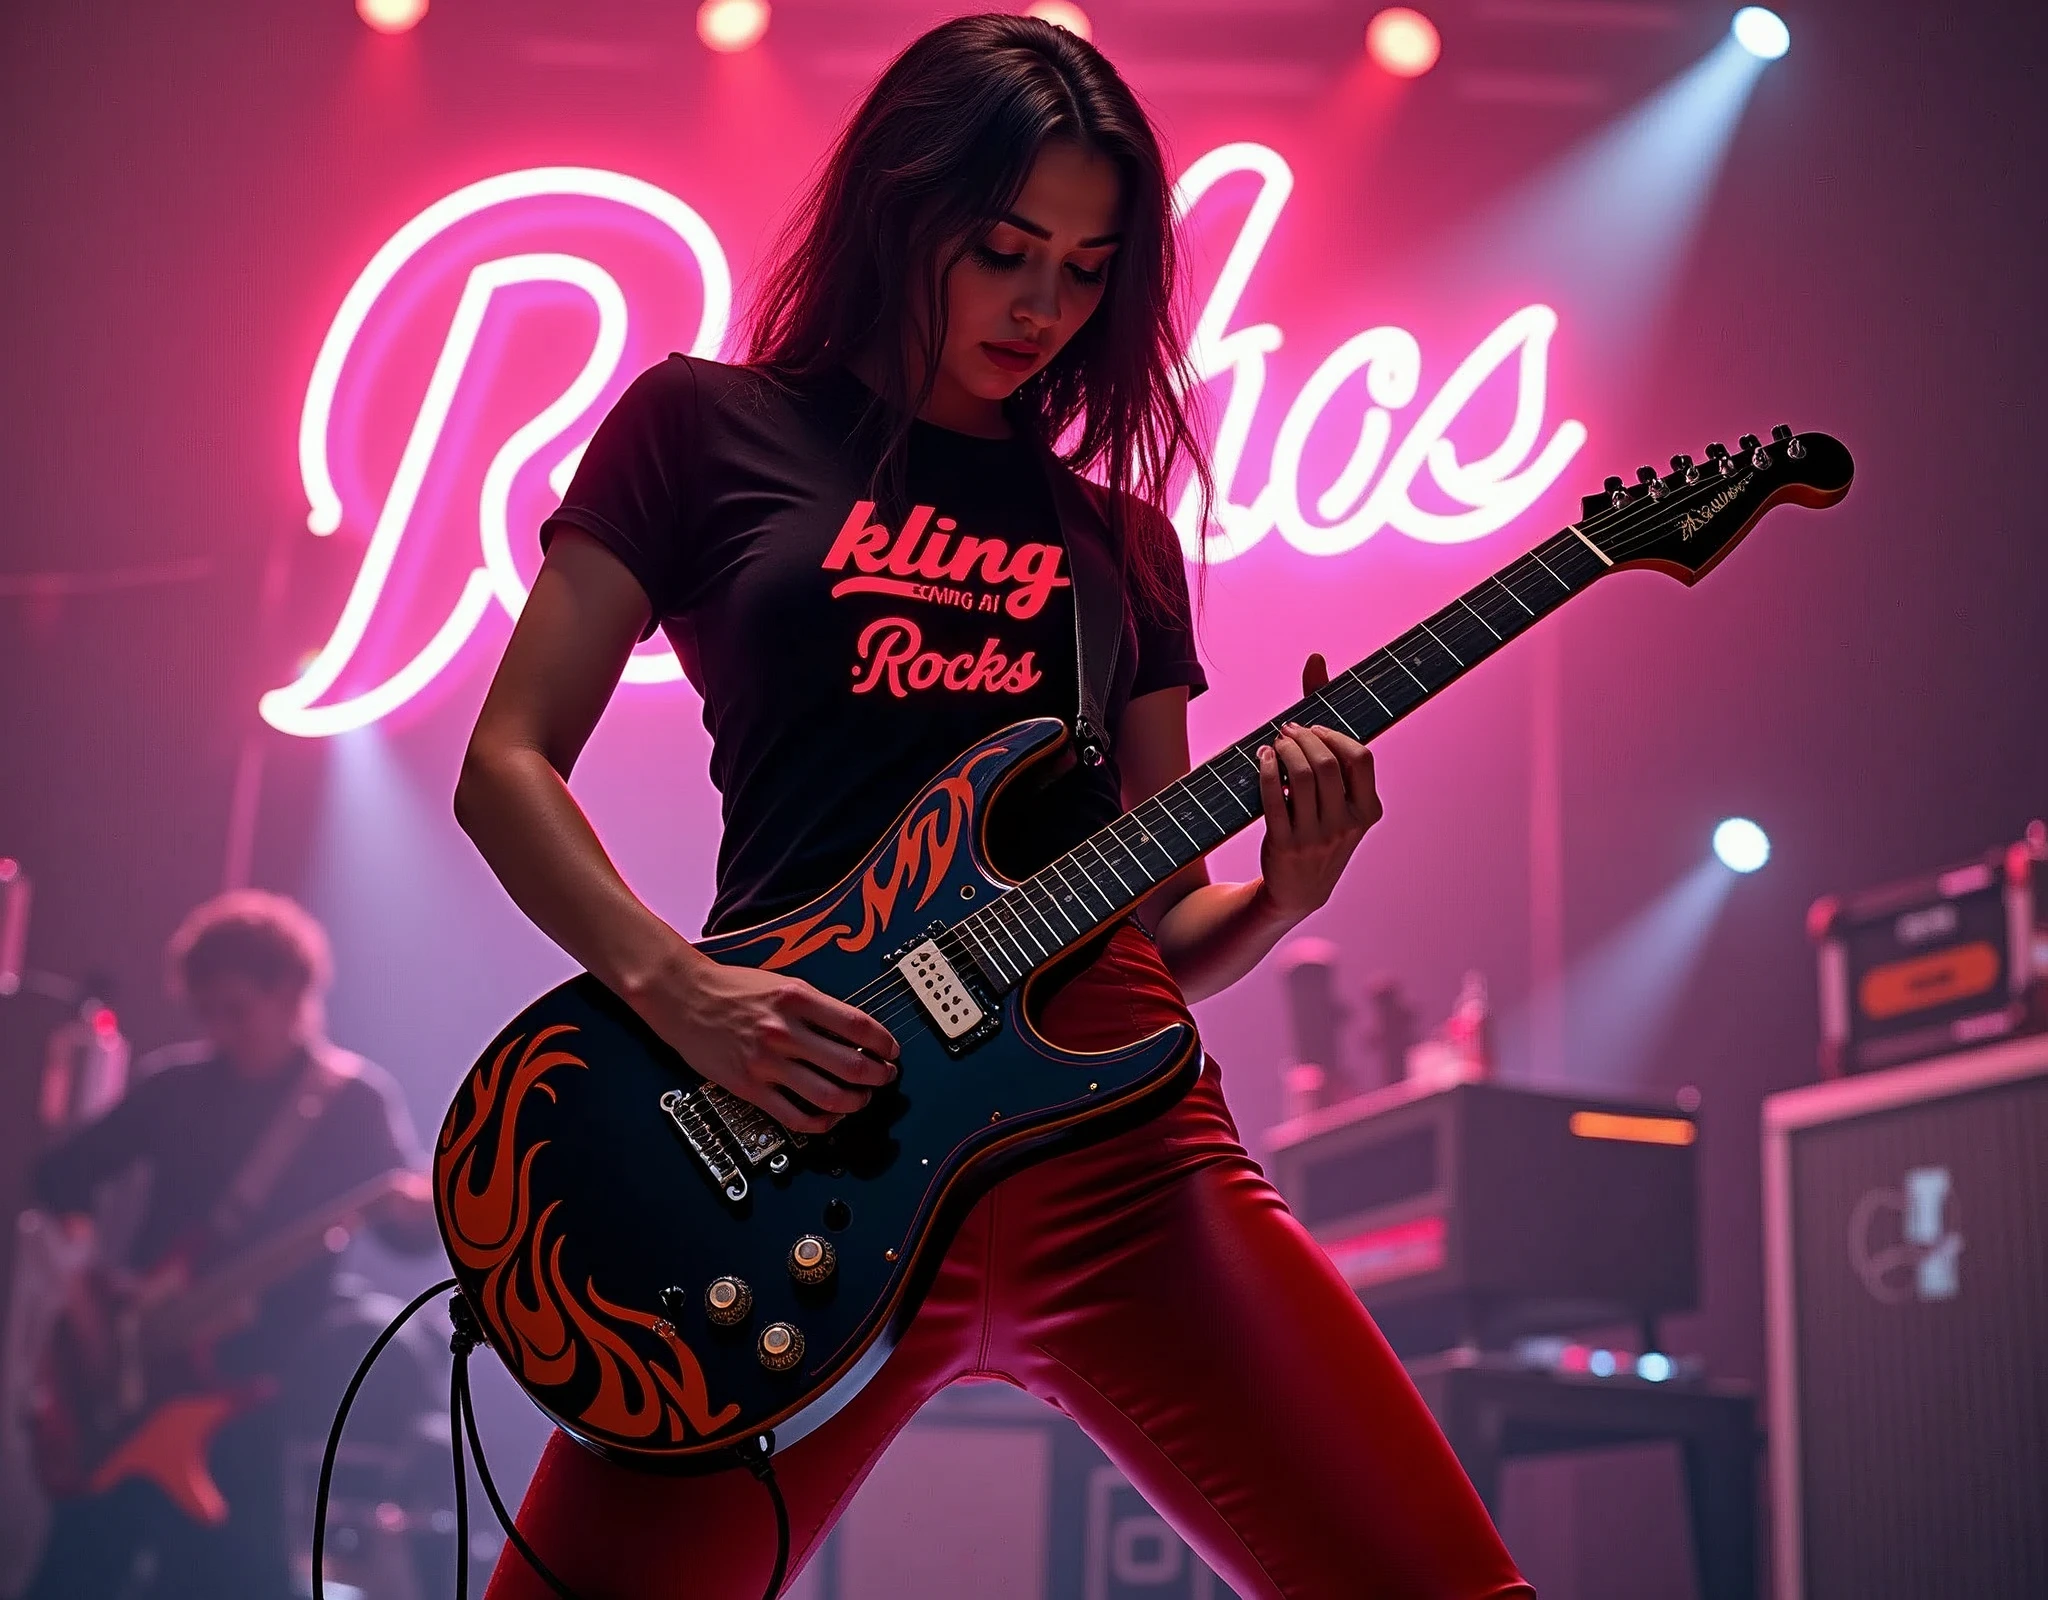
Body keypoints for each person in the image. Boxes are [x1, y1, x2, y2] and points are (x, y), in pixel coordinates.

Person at [453, 14, 1533, 1597]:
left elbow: (1169, 926)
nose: (1042, 306)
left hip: (1125, 1167)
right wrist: (680, 993)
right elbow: (506, 762)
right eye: (1006, 248)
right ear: (903, 206)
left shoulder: (1120, 546)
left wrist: (1290, 888)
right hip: (796, 1131)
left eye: (1088, 269)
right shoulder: (700, 427)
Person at [23, 890, 438, 1600]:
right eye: (205, 1011)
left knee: (236, 1580)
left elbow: (412, 1248)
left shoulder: (352, 1103)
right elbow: (60, 1179)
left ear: (293, 992)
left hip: (250, 1391)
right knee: (77, 1573)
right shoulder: (176, 1086)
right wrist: (87, 1296)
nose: (219, 1029)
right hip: (129, 1373)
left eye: (236, 1010)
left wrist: (421, 1212)